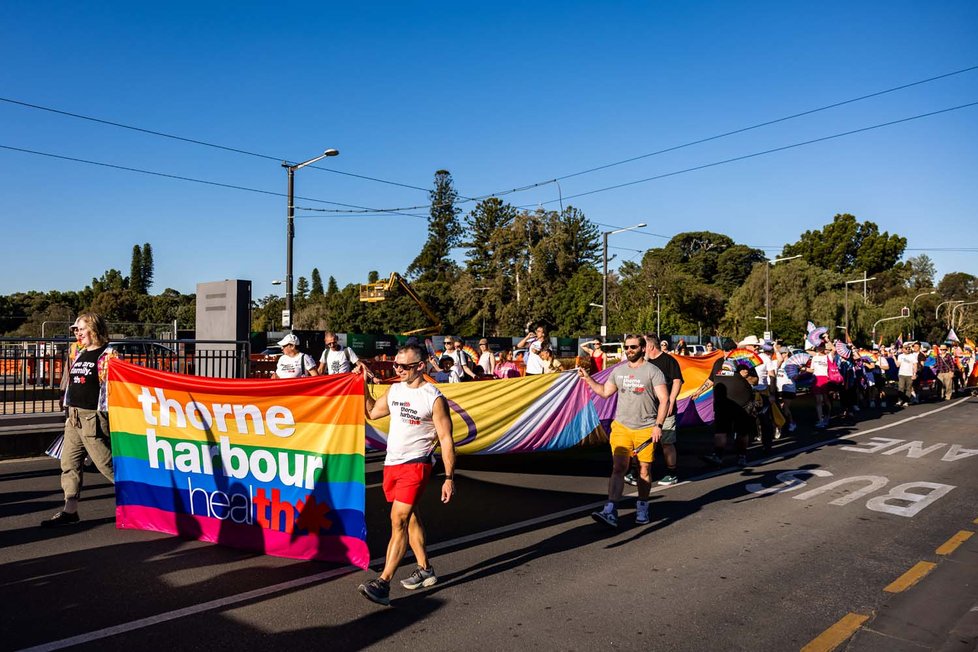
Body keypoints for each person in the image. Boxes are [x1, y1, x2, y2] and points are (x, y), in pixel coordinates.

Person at [358, 344, 456, 606]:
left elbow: (446, 440)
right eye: (395, 366)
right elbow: (371, 412)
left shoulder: (433, 398)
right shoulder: (395, 390)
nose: (398, 370)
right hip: (392, 464)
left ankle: (383, 582)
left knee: (397, 519)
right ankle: (425, 569)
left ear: (421, 366)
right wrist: (362, 384)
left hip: (417, 464)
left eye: (404, 366)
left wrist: (448, 477)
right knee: (411, 517)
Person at [578, 334, 669, 528]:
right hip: (621, 427)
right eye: (626, 347)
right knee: (618, 468)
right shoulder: (618, 372)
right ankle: (610, 509)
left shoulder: (653, 371)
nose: (629, 351)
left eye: (633, 347)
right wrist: (588, 379)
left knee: (644, 469)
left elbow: (664, 400)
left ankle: (643, 506)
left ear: (643, 348)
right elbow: (604, 392)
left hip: (645, 428)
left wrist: (658, 425)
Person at [40, 313, 117, 528]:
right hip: (73, 417)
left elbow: (117, 387)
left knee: (107, 465)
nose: (77, 333)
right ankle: (70, 511)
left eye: (81, 329)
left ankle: (143, 501)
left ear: (93, 329)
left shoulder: (109, 355)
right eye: (75, 329)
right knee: (69, 464)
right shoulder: (79, 352)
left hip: (93, 417)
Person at [695, 343, 759, 467]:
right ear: (722, 351)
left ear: (736, 351)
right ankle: (718, 456)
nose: (728, 352)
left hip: (742, 404)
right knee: (720, 431)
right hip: (722, 403)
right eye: (725, 350)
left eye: (731, 350)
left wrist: (747, 376)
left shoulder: (745, 363)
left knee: (742, 432)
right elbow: (711, 379)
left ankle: (742, 456)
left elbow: (755, 381)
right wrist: (699, 391)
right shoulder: (718, 362)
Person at [644, 333, 684, 485]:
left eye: (643, 345)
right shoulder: (644, 362)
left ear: (650, 346)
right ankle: (638, 471)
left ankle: (671, 473)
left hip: (665, 409)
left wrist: (671, 400)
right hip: (648, 409)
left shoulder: (669, 360)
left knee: (666, 441)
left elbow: (677, 381)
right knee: (645, 441)